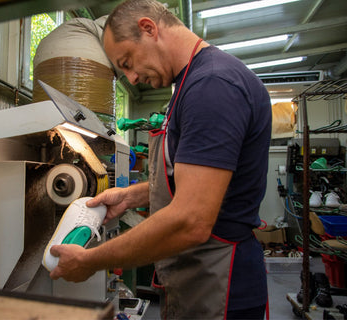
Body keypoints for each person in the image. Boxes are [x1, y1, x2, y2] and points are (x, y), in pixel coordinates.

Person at [49, 0, 272, 318]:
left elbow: (191, 220)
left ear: (148, 28)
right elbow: (197, 182)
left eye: (127, 62)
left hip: (221, 288)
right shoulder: (192, 83)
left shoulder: (211, 86)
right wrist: (130, 195)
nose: (133, 78)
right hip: (201, 276)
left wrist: (90, 260)